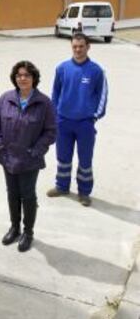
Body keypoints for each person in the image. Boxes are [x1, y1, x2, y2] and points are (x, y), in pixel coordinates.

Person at [0, 61, 56, 252]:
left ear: (34, 78)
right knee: (12, 194)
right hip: (8, 158)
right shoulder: (6, 98)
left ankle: (28, 232)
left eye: (27, 75)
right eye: (19, 75)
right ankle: (14, 227)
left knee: (27, 195)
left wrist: (35, 151)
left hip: (29, 160)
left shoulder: (44, 103)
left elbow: (51, 131)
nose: (23, 78)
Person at [47, 32, 108, 206]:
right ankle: (62, 186)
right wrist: (55, 113)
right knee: (63, 157)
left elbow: (102, 96)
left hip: (85, 124)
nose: (78, 50)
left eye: (81, 46)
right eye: (75, 46)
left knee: (85, 159)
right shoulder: (62, 68)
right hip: (63, 122)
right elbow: (55, 93)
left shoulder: (96, 71)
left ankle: (84, 192)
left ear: (88, 47)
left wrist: (94, 117)